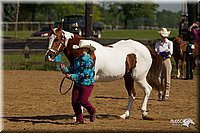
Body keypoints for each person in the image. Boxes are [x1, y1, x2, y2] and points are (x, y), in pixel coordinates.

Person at [60, 40, 96, 125]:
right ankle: (80, 119)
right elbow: (72, 69)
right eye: (80, 49)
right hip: (78, 83)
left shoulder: (89, 61)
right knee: (74, 101)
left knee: (83, 101)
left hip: (87, 84)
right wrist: (64, 69)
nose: (81, 50)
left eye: (83, 49)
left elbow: (86, 74)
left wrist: (72, 76)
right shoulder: (77, 60)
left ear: (87, 50)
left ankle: (92, 110)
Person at [155, 28, 173, 101]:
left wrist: (164, 53)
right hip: (159, 61)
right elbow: (156, 52)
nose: (164, 38)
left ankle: (166, 93)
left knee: (167, 78)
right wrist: (163, 52)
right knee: (159, 77)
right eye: (163, 36)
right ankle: (160, 92)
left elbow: (170, 52)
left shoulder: (169, 43)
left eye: (165, 36)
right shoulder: (157, 44)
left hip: (166, 60)